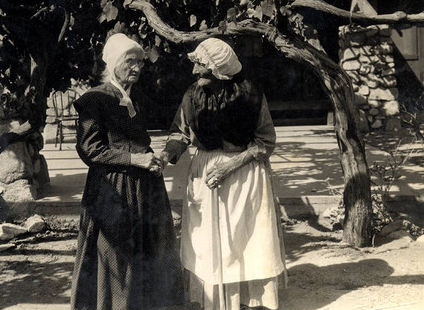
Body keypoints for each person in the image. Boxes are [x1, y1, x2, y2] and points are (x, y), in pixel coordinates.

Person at [157, 38, 286, 310]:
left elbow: (265, 142)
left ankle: (252, 303)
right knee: (207, 242)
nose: (193, 72)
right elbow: (180, 133)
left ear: (219, 69)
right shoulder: (192, 94)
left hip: (243, 174)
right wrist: (167, 155)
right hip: (205, 174)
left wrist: (230, 165)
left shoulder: (250, 94)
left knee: (245, 240)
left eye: (200, 66)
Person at [70, 33, 184, 310]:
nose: (136, 68)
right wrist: (135, 159)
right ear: (113, 62)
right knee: (116, 253)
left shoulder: (136, 97)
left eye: (140, 63)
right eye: (129, 62)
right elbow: (90, 150)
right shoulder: (95, 99)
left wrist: (161, 155)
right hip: (112, 188)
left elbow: (167, 125)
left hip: (145, 187)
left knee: (148, 250)